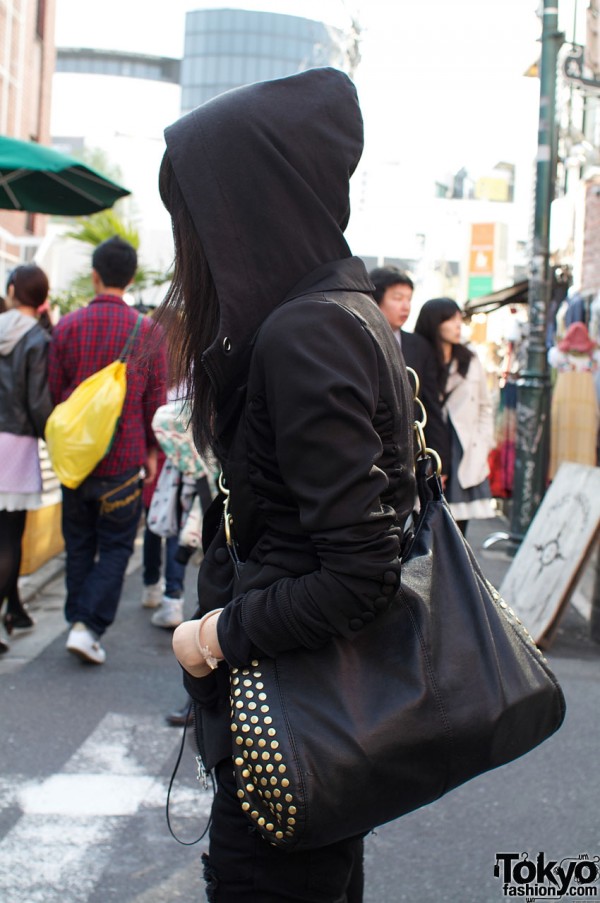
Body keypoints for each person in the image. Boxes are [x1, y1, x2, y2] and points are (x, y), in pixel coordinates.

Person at [159, 67, 416, 902]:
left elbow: (358, 571)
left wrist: (213, 637)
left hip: (295, 720)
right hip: (318, 718)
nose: (189, 244)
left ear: (246, 204)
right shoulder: (341, 308)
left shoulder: (305, 332)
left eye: (197, 212)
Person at [48, 236, 167, 665]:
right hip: (123, 460)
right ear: (131, 277)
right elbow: (156, 403)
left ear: (95, 275)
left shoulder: (67, 327)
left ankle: (77, 620)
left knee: (78, 545)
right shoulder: (149, 332)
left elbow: (53, 394)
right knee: (117, 546)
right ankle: (88, 625)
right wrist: (152, 452)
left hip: (75, 463)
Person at [0, 264, 53, 654]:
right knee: (9, 537)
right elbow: (37, 402)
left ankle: (15, 608)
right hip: (16, 444)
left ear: (13, 289)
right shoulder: (37, 338)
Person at [414, 297, 494, 535]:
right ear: (434, 323)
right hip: (429, 448)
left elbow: (485, 406)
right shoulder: (420, 356)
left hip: (464, 449)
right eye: (451, 319)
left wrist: (483, 445)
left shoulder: (469, 359)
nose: (458, 325)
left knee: (459, 533)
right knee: (426, 528)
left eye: (460, 319)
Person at [369, 265, 450, 474]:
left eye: (409, 299)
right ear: (376, 299)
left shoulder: (419, 346)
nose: (405, 306)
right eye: (397, 298)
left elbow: (431, 404)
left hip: (409, 457)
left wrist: (439, 461)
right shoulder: (360, 340)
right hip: (370, 454)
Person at [547, 321, 600, 479]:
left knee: (564, 441)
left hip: (565, 404)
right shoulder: (593, 358)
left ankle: (562, 478)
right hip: (585, 406)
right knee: (584, 442)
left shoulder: (559, 356)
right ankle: (581, 478)